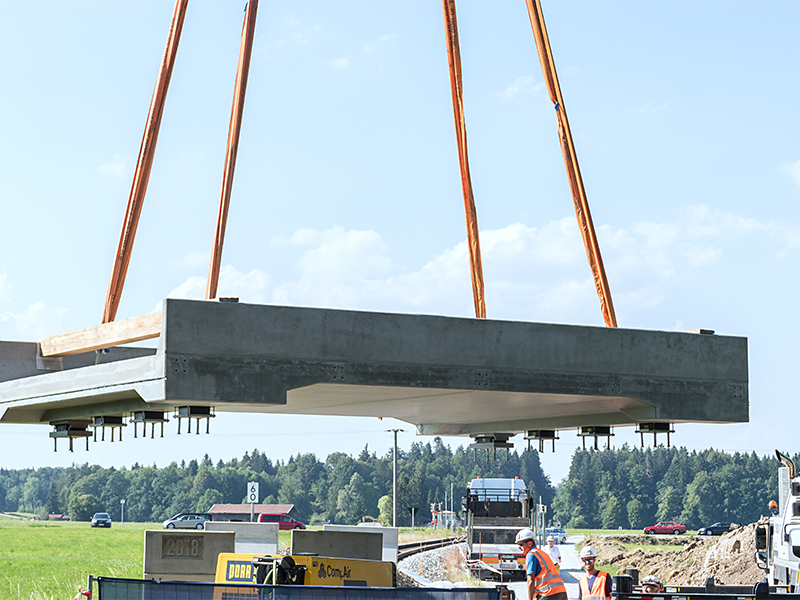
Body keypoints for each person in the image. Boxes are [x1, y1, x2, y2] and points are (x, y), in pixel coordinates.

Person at [515, 529, 567, 600]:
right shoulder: (542, 553)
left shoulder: (531, 555)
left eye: (520, 544)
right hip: (561, 592)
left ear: (530, 543)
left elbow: (530, 580)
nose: (519, 547)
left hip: (548, 594)